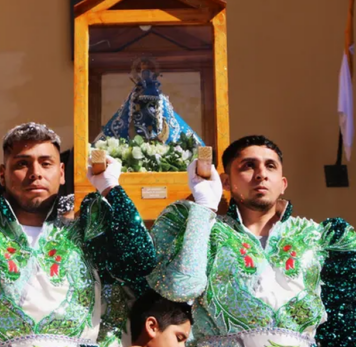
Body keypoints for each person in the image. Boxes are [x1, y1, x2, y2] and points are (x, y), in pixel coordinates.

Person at [0, 122, 157, 347]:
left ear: (62, 173)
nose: (35, 173)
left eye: (46, 163)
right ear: (2, 174)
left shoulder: (87, 233)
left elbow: (140, 267)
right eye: (22, 163)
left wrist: (110, 187)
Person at [147, 135, 356, 347]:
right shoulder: (207, 230)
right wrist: (204, 205)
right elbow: (182, 288)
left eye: (270, 166)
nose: (261, 174)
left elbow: (344, 326)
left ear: (283, 183)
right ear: (226, 181)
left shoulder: (318, 238)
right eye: (248, 166)